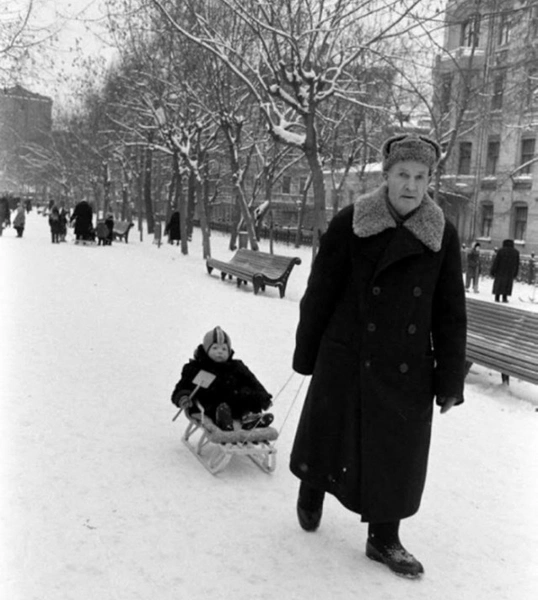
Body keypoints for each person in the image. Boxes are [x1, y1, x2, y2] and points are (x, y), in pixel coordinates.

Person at [290, 133, 467, 579]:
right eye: (403, 175)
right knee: (330, 430)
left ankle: (384, 537)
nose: (411, 185)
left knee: (397, 453)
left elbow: (449, 312)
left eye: (420, 177)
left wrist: (449, 380)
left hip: (406, 366)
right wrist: (307, 352)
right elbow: (320, 292)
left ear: (430, 181)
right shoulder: (351, 221)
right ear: (387, 176)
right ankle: (313, 485)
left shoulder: (440, 234)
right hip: (348, 353)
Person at [171, 326, 274, 431]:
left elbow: (252, 382)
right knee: (218, 404)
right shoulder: (196, 368)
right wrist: (182, 397)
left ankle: (249, 417)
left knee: (246, 393)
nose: (220, 352)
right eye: (215, 348)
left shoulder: (236, 366)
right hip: (210, 405)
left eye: (224, 349)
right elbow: (182, 387)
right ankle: (222, 420)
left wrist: (264, 397)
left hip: (235, 403)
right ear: (206, 350)